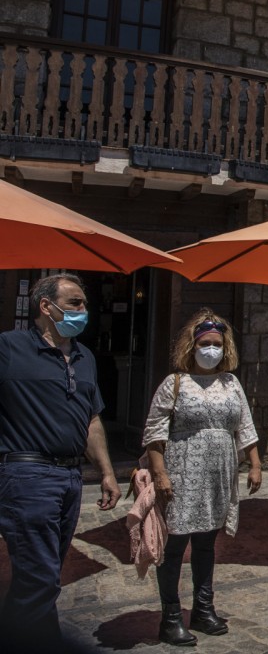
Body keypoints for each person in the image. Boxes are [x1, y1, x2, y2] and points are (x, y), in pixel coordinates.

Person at [0, 273, 120, 653]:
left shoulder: (85, 358)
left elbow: (92, 420)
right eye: (75, 303)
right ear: (46, 307)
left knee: (45, 571)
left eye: (84, 303)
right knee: (40, 577)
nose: (84, 311)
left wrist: (106, 472)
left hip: (70, 478)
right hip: (26, 474)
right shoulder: (9, 348)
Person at [142, 309, 262, 646]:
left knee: (208, 542)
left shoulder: (231, 382)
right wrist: (161, 474)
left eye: (218, 345)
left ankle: (203, 609)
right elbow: (154, 433)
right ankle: (170, 617)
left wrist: (254, 463)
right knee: (176, 543)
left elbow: (245, 425)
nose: (212, 350)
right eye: (205, 343)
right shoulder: (175, 383)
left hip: (220, 473)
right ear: (192, 346)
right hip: (182, 472)